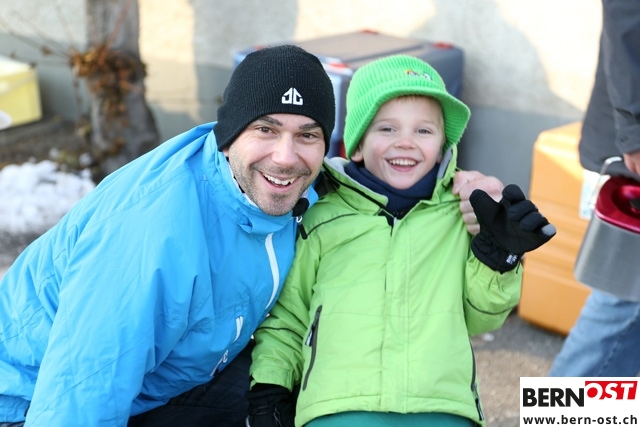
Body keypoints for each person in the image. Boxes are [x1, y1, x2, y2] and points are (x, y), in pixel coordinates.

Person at [0, 45, 504, 427]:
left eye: (307, 134)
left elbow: (376, 184)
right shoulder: (151, 234)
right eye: (266, 129)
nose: (286, 157)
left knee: (306, 388)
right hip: (35, 403)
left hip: (166, 379)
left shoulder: (293, 186)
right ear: (231, 132)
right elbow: (80, 395)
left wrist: (466, 190)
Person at [246, 55, 555, 427]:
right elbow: (289, 318)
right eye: (387, 129)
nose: (406, 142)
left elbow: (481, 318)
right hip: (340, 410)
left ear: (442, 146)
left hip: (441, 409)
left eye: (423, 131)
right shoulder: (322, 217)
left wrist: (498, 256)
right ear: (356, 146)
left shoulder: (462, 215)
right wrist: (270, 388)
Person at [549, 0, 640, 377]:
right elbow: (629, 16)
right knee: (623, 300)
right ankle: (561, 406)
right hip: (632, 150)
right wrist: (635, 131)